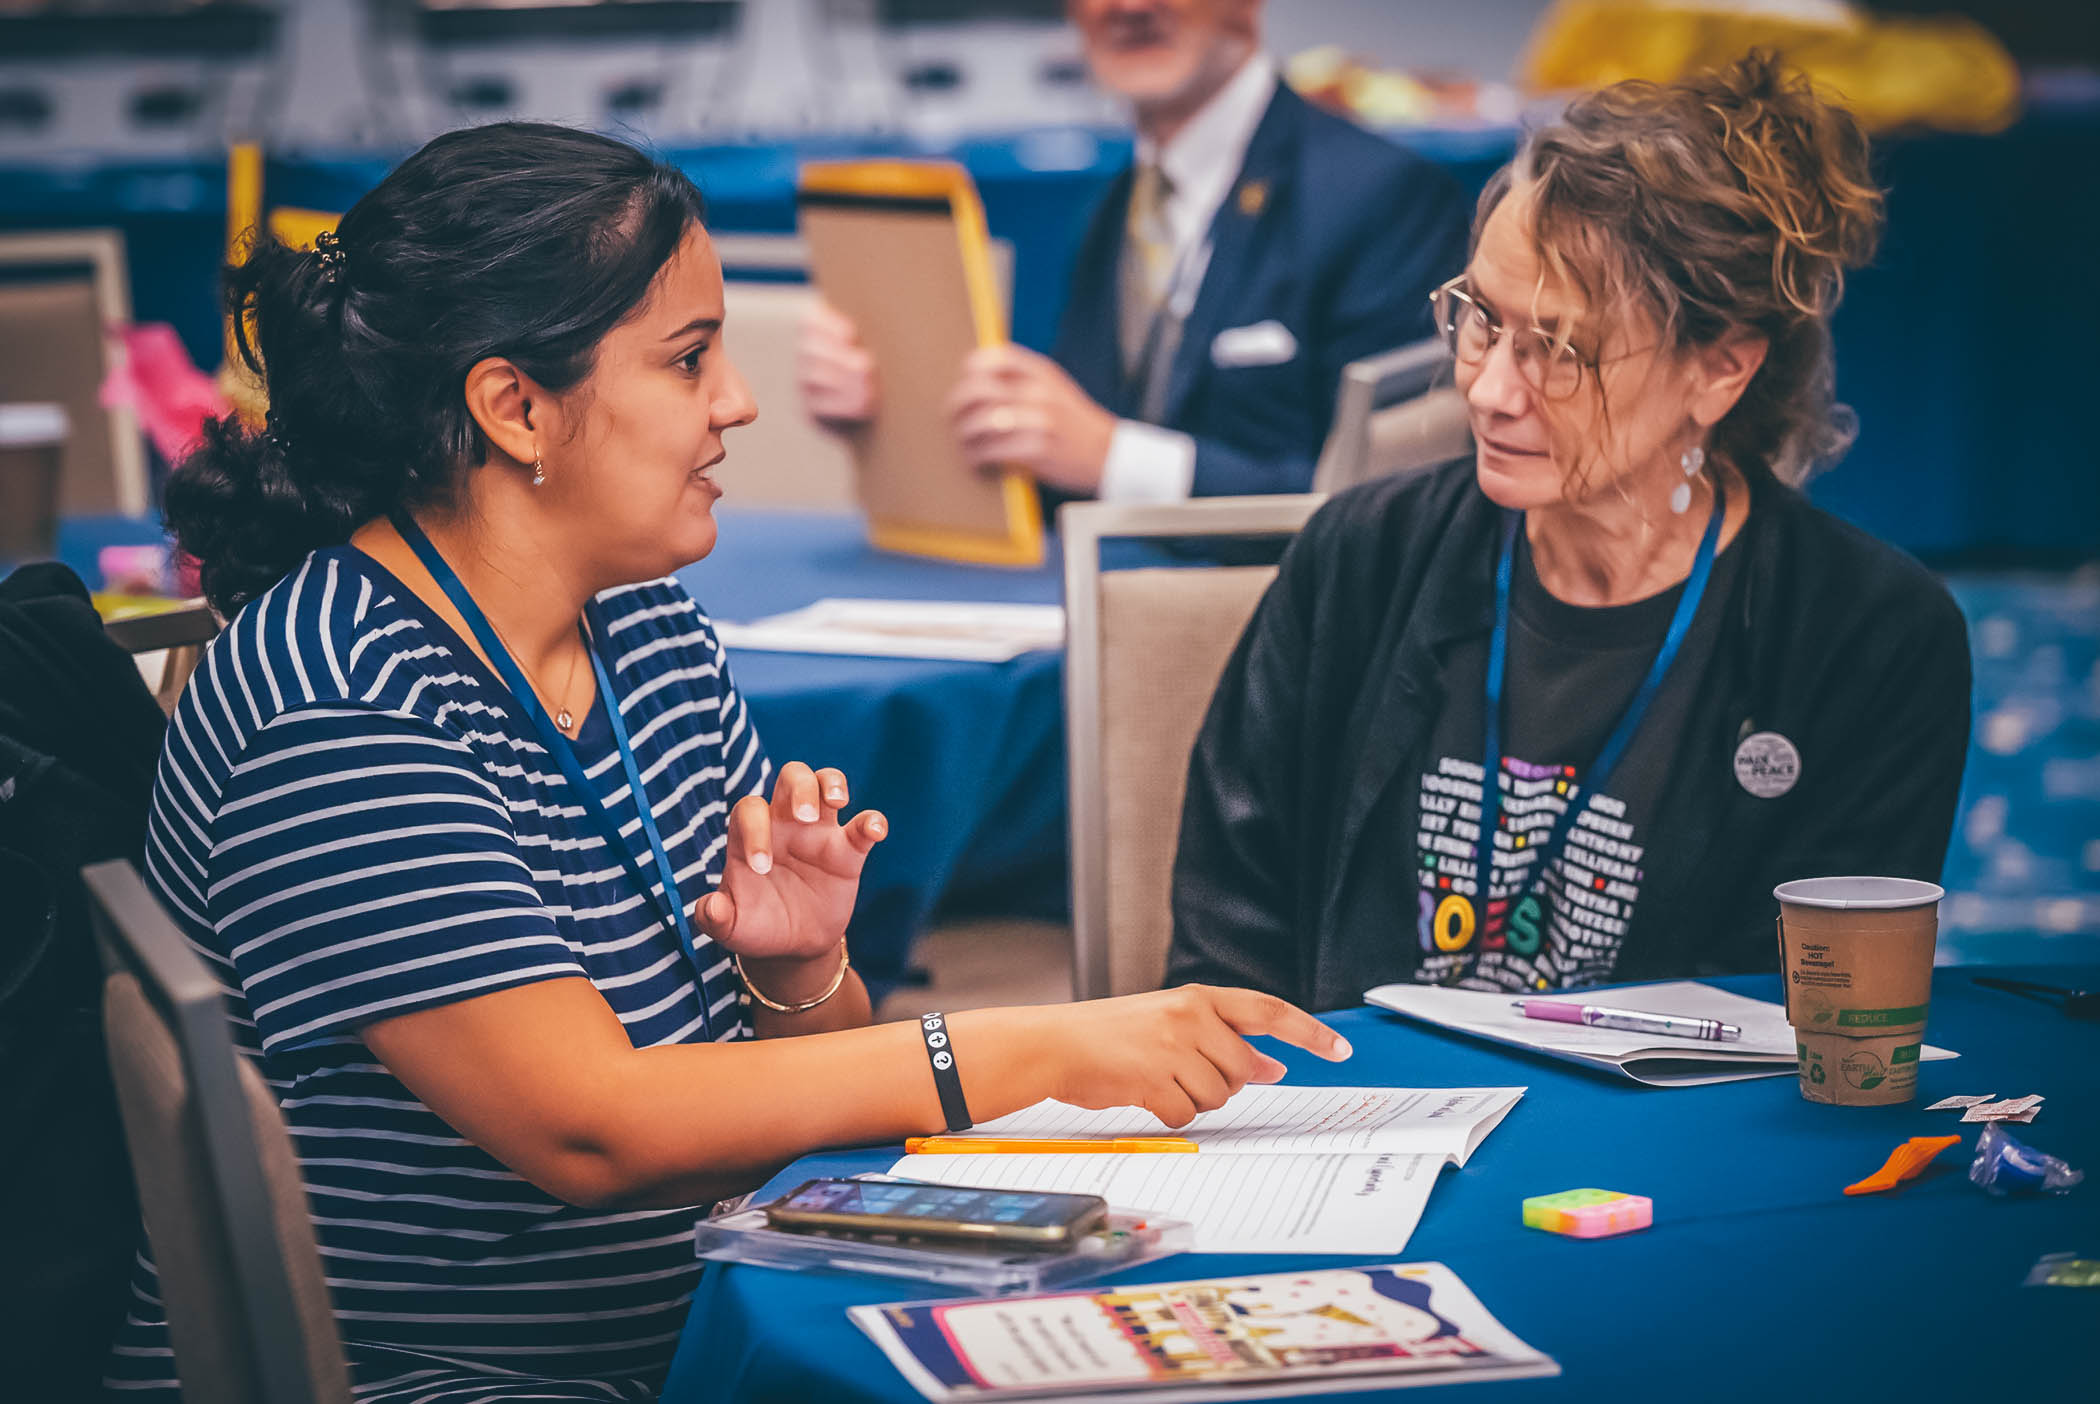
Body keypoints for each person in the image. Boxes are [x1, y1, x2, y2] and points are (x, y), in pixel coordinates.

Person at [109, 122, 1348, 1401]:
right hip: (439, 1374)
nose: (739, 401)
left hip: (689, 1330)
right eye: (690, 359)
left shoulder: (638, 624)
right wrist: (1040, 1051)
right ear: (514, 407)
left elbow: (791, 1081)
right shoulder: (341, 698)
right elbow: (592, 1126)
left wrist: (799, 968)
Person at [1167, 54, 1973, 1011]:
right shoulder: (1361, 558)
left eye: (1559, 352)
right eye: (1479, 320)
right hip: (1354, 1126)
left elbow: (1814, 1022)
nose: (1491, 391)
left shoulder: (1866, 637)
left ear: (1719, 371)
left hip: (1661, 1153)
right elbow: (1225, 960)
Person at [797, 0, 1468, 502]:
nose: (1130, 6)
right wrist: (887, 416)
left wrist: (1111, 459)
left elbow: (1391, 502)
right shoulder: (1110, 212)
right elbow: (1056, 476)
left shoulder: (1386, 197)